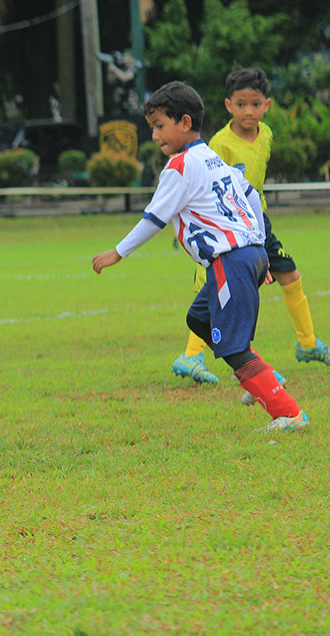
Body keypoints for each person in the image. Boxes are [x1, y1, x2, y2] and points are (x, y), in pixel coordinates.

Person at [92, 81, 308, 432]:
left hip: (231, 260)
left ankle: (289, 413)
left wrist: (117, 253)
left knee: (235, 348)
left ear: (185, 122)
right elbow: (251, 197)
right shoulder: (213, 158)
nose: (155, 136)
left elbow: (154, 219)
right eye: (152, 128)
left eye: (160, 126)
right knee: (199, 319)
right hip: (248, 254)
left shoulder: (180, 167)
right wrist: (260, 249)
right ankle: (265, 378)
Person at [171, 68, 330, 388]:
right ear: (228, 105)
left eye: (255, 104)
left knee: (291, 275)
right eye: (241, 104)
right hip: (227, 225)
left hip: (258, 221)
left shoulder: (266, 134)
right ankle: (191, 354)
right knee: (217, 290)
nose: (248, 111)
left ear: (266, 105)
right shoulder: (219, 144)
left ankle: (308, 343)